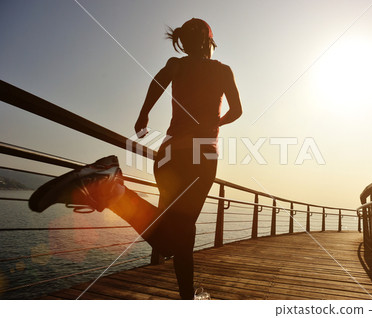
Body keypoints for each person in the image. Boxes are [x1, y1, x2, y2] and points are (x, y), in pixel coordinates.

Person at [28, 18, 242, 300]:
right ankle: (113, 190)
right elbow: (237, 110)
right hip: (202, 154)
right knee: (178, 235)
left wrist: (144, 115)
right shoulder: (222, 70)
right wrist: (215, 122)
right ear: (208, 44)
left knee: (175, 237)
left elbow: (157, 84)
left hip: (168, 155)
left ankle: (188, 296)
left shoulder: (175, 64)